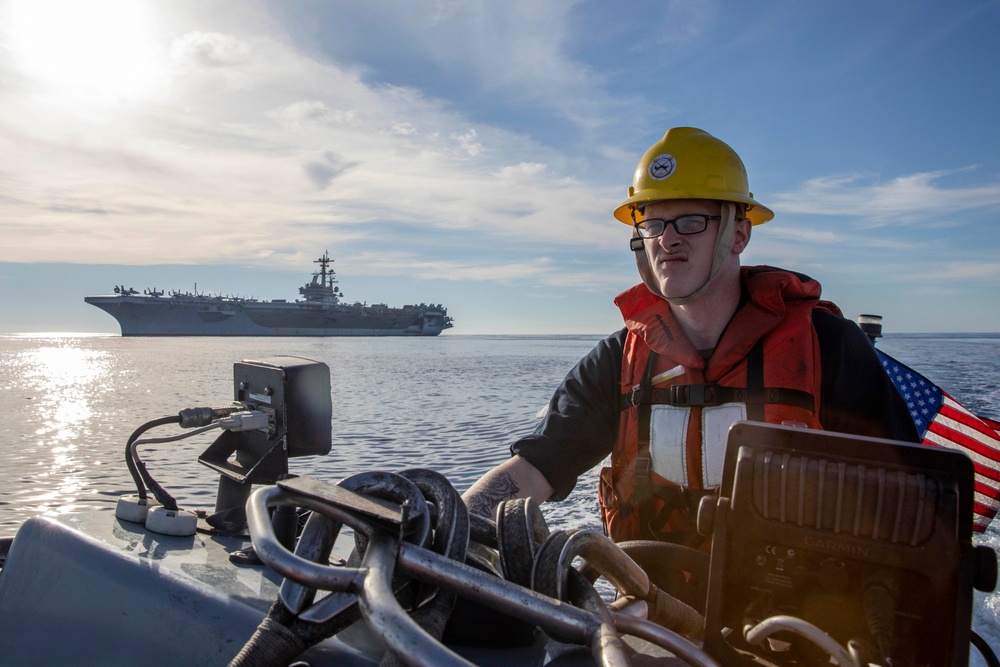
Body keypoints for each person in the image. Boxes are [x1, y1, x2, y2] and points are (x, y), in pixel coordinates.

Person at [462, 127, 919, 546]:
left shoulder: (828, 346)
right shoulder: (619, 360)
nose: (667, 240)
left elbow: (910, 501)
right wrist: (452, 525)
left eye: (691, 221)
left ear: (739, 234)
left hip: (799, 623)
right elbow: (533, 468)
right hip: (650, 619)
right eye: (654, 224)